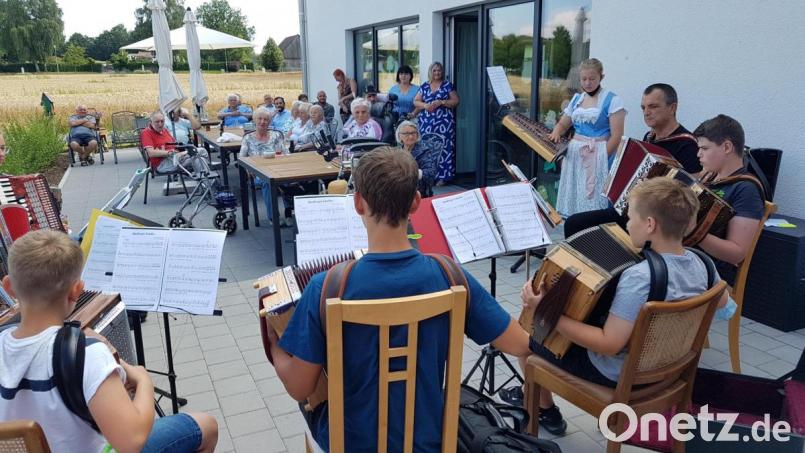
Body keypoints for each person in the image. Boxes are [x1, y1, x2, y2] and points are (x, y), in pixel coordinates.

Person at [265, 149, 531, 451]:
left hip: (351, 443)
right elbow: (520, 344)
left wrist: (274, 347)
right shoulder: (451, 276)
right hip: (430, 439)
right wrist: (531, 305)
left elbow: (299, 388)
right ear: (416, 202)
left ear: (358, 204)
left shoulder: (325, 287)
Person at [519, 178, 728, 434]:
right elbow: (727, 306)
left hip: (620, 374)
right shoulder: (703, 264)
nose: (627, 223)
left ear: (650, 224)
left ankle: (544, 412)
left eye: (630, 217)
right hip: (671, 372)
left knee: (528, 339)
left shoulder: (640, 278)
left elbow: (609, 344)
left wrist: (546, 313)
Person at [0, 229, 218, 452]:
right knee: (206, 426)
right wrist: (144, 381)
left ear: (8, 287)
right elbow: (131, 442)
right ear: (77, 291)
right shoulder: (88, 355)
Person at [563, 83, 700, 237]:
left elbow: (692, 195)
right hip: (634, 211)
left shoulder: (687, 145)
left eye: (653, 106)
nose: (647, 112)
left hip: (658, 221)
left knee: (577, 224)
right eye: (643, 108)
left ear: (672, 108)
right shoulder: (649, 138)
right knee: (574, 222)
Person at [548, 58, 626, 217]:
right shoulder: (577, 99)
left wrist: (602, 159)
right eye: (584, 79)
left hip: (599, 153)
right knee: (576, 194)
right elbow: (563, 124)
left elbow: (617, 136)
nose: (588, 83)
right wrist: (556, 131)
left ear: (601, 77)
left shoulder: (612, 100)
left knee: (594, 198)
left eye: (592, 79)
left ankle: (593, 233)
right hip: (575, 154)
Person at [694, 114, 765, 286]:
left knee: (635, 277)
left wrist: (692, 231)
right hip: (688, 259)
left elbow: (737, 253)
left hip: (709, 274)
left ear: (727, 147)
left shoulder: (746, 189)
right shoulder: (709, 177)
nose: (698, 154)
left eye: (704, 148)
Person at [240, 108, 289, 225]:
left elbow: (287, 154)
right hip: (258, 173)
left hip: (279, 169)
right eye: (260, 119)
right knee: (268, 182)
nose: (262, 122)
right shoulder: (248, 138)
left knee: (290, 181)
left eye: (266, 119)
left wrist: (280, 158)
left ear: (270, 121)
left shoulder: (276, 135)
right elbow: (242, 158)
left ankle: (289, 212)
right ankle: (273, 217)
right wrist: (248, 169)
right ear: (254, 120)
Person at [414, 61, 459, 185]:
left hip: (444, 123)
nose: (437, 72)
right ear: (430, 72)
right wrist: (425, 105)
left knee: (444, 148)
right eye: (434, 70)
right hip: (426, 123)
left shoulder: (447, 85)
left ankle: (443, 177)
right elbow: (416, 101)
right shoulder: (424, 86)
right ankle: (429, 175)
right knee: (427, 148)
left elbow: (455, 101)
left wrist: (441, 102)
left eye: (439, 70)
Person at [141, 111, 209, 174]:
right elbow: (151, 153)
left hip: (175, 158)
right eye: (157, 122)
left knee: (199, 158)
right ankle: (207, 182)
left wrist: (180, 153)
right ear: (150, 122)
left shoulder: (164, 130)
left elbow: (173, 144)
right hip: (162, 164)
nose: (160, 124)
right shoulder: (146, 132)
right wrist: (170, 153)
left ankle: (205, 183)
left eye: (162, 121)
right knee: (201, 153)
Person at [396, 120, 437, 197]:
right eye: (406, 133)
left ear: (417, 135)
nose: (411, 136)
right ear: (399, 136)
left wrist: (408, 172)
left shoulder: (424, 151)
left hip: (417, 190)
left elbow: (431, 173)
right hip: (399, 187)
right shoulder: (397, 151)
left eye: (413, 133)